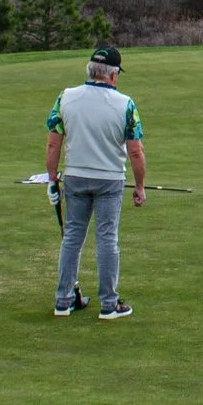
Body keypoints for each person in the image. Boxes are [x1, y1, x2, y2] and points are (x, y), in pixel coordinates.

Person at [45, 45, 146, 319]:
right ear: (113, 75)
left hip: (75, 177)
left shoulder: (65, 97)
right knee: (106, 239)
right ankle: (109, 304)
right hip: (110, 179)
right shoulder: (125, 104)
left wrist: (52, 177)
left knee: (73, 238)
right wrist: (139, 186)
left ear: (91, 71)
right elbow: (135, 151)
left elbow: (54, 143)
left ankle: (63, 301)